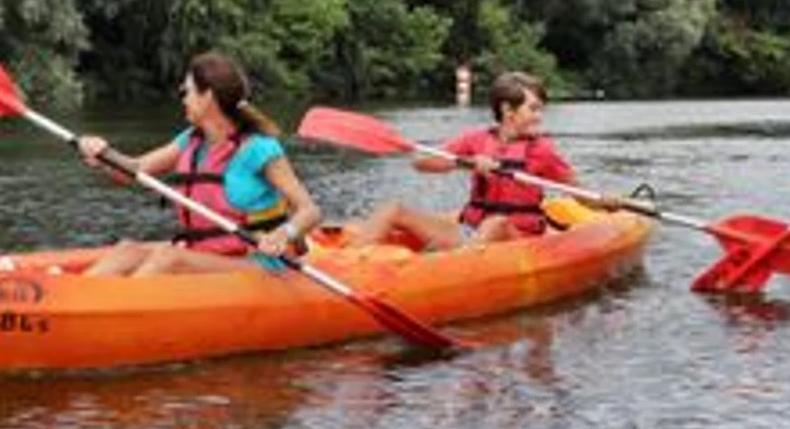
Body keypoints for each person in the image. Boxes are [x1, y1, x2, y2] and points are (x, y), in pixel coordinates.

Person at [74, 52, 322, 277]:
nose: (183, 99)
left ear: (208, 97)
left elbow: (309, 211)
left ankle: (123, 307)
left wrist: (283, 234)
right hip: (206, 256)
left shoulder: (260, 148)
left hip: (258, 263)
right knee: (127, 251)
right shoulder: (190, 141)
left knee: (169, 258)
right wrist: (103, 155)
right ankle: (76, 299)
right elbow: (135, 170)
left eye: (187, 92)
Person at [341, 71, 576, 251]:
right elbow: (421, 163)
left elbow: (576, 190)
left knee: (496, 223)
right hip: (469, 231)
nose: (539, 117)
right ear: (508, 110)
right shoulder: (476, 140)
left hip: (518, 238)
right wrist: (466, 162)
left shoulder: (543, 151)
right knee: (393, 210)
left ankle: (452, 269)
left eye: (540, 109)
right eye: (533, 109)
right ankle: (348, 265)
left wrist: (599, 207)